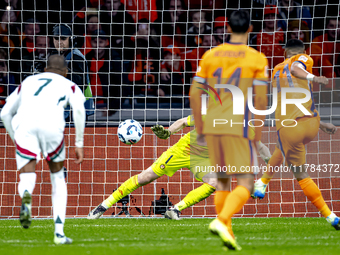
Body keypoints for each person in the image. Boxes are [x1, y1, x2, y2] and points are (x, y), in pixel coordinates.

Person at [87, 115, 271, 220]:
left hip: (203, 159)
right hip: (183, 150)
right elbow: (183, 122)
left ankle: (174, 209)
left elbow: (260, 147)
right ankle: (103, 206)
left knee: (216, 182)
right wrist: (168, 133)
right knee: (145, 178)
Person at [190, 10, 268, 250]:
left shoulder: (211, 55)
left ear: (227, 27)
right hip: (238, 126)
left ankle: (228, 236)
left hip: (213, 125)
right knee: (246, 182)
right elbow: (261, 100)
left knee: (223, 182)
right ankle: (222, 220)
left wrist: (201, 128)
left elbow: (194, 93)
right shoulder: (257, 58)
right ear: (250, 29)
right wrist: (257, 133)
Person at [252, 39, 340, 230]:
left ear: (286, 53)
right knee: (280, 147)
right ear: (304, 50)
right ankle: (262, 182)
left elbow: (295, 69)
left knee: (300, 173)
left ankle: (330, 215)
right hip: (311, 123)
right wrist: (322, 124)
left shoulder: (277, 69)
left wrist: (314, 78)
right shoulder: (305, 58)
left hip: (290, 128)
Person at [0, 55, 85, 244]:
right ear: (66, 71)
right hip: (51, 126)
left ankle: (26, 197)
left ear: (45, 69)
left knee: (26, 176)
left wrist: (16, 139)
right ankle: (59, 234)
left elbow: (5, 112)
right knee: (57, 178)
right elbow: (79, 110)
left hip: (24, 126)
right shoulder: (69, 85)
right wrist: (79, 143)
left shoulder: (28, 81)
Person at [51, 24, 94, 117]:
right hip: (64, 110)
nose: (59, 42)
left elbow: (78, 84)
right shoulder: (58, 56)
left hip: (76, 112)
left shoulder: (76, 57)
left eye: (63, 38)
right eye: (56, 38)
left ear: (70, 40)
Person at [250, 5, 285, 72]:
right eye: (267, 16)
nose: (270, 19)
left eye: (273, 16)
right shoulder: (256, 37)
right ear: (263, 19)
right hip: (261, 72)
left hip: (280, 73)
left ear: (278, 18)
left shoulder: (285, 35)